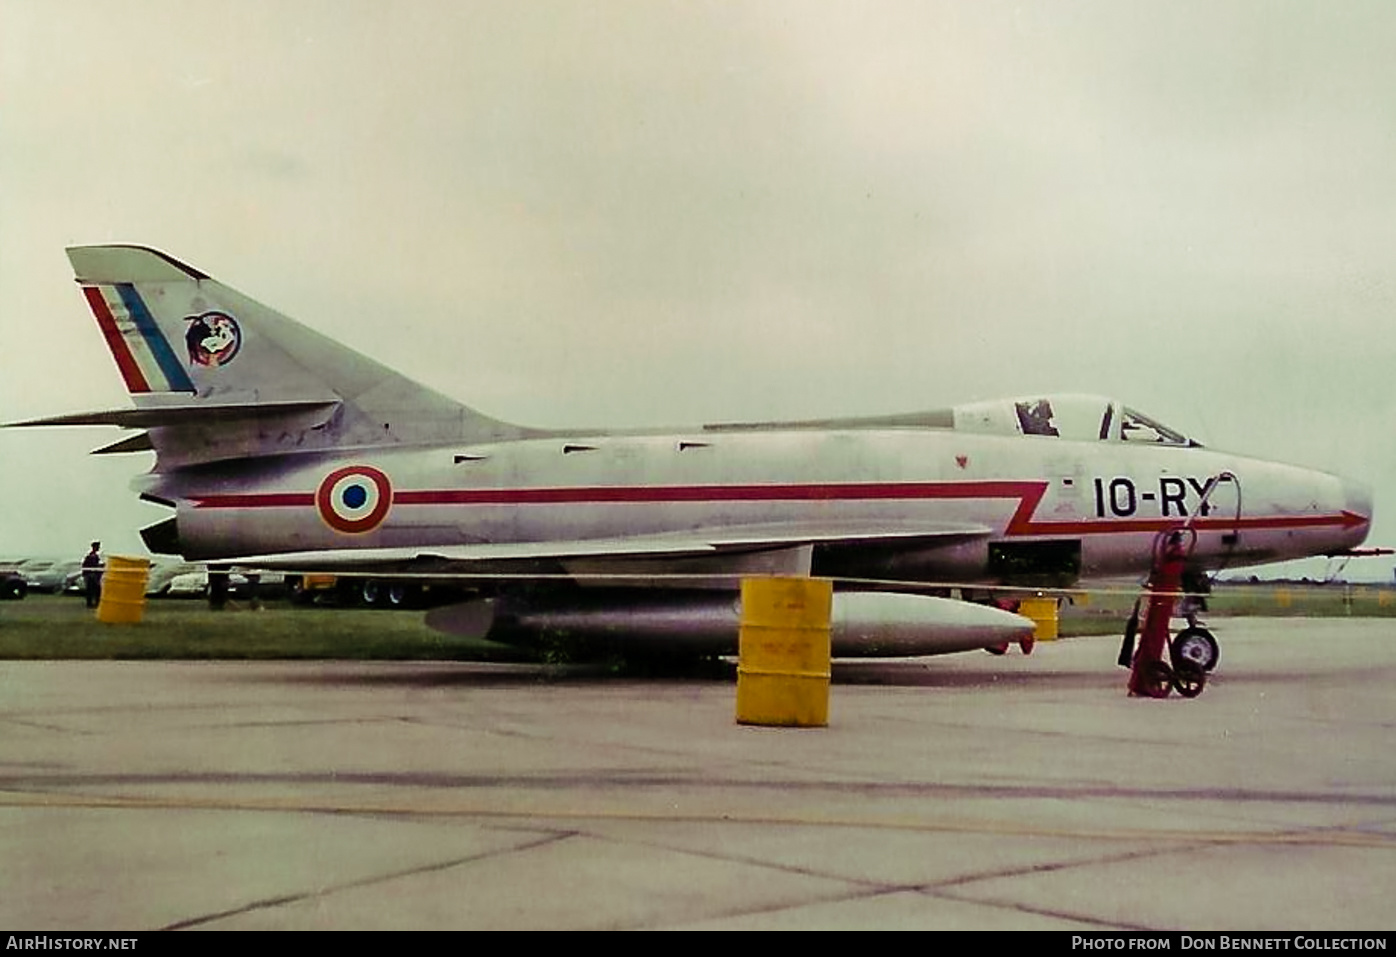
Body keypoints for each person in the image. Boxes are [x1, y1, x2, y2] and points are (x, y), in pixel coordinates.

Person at [82, 541, 104, 608]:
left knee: (93, 590)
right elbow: (93, 566)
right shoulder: (92, 556)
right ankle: (92, 603)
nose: (99, 548)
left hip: (93, 575)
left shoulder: (94, 556)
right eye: (97, 547)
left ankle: (93, 603)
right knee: (94, 589)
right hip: (91, 575)